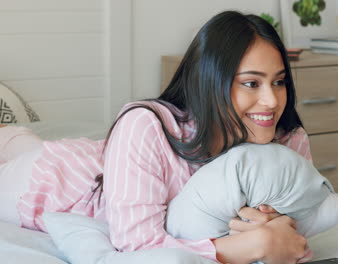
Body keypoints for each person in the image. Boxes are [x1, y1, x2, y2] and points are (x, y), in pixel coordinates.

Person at [0, 11, 314, 264]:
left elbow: (298, 234)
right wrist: (251, 245)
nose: (272, 101)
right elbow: (139, 246)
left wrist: (276, 235)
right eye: (251, 83)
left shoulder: (289, 140)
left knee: (25, 140)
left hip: (107, 163)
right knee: (17, 143)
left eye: (279, 82)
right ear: (210, 82)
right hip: (54, 180)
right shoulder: (146, 124)